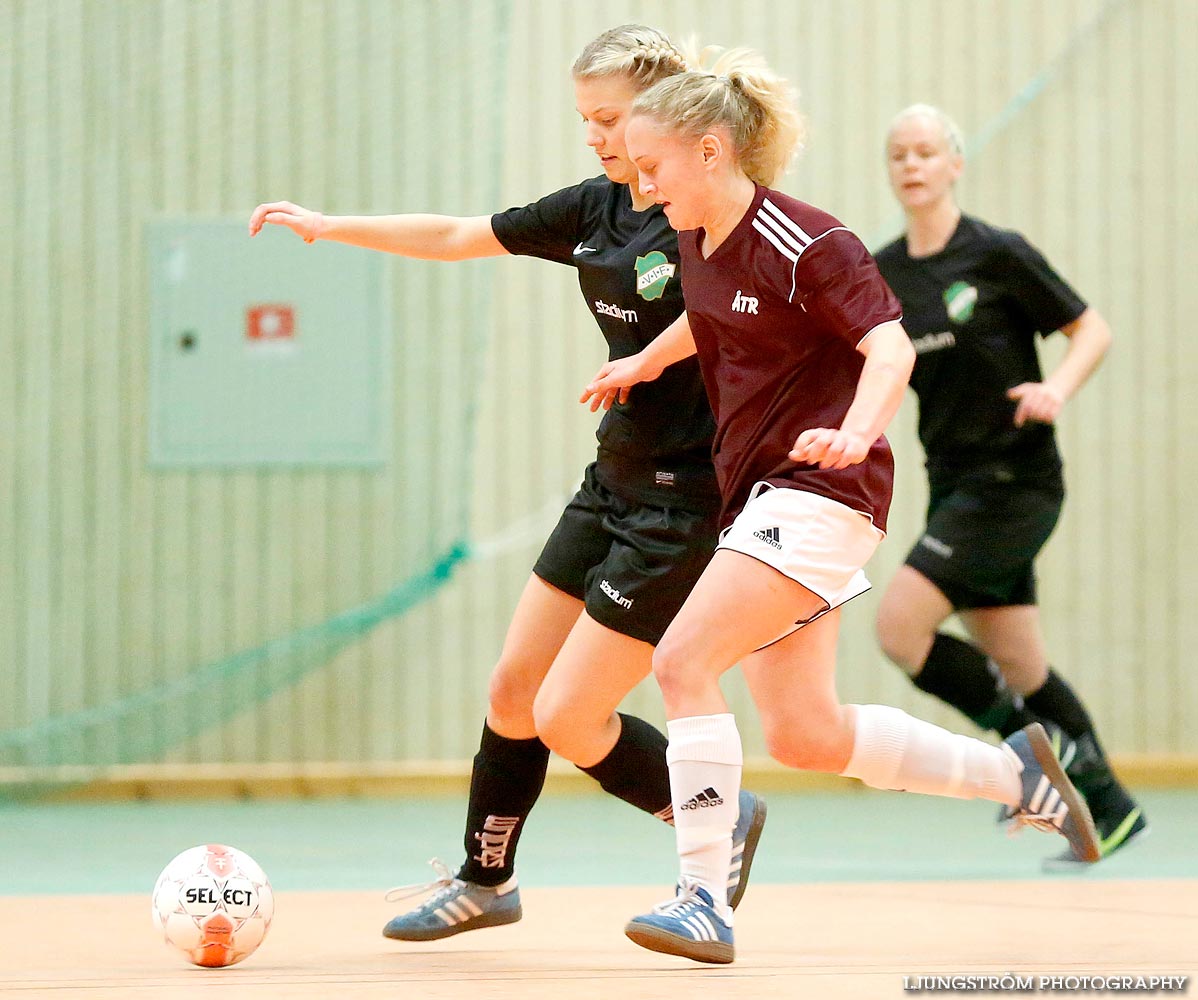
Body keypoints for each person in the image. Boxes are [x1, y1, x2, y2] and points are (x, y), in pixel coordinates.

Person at [248, 25, 767, 943]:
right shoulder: (596, 207)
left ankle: (716, 817)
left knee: (571, 716)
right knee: (512, 691)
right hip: (609, 480)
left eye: (611, 119)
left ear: (660, 111)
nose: (600, 138)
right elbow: (457, 234)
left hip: (685, 499)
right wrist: (333, 227)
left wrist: (646, 360)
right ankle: (486, 882)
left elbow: (722, 307)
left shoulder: (709, 210)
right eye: (586, 122)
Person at [581, 49, 1100, 966]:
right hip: (765, 501)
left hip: (823, 491)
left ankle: (701, 898)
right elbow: (708, 316)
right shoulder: (699, 241)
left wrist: (857, 432)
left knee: (683, 661)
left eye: (652, 167)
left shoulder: (809, 241)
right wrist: (642, 362)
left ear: (710, 151)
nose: (644, 188)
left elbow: (890, 350)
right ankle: (1017, 774)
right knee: (807, 734)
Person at [872, 104, 1146, 869]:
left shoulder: (998, 254)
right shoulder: (885, 271)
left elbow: (1091, 329)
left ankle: (1027, 768)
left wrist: (1055, 387)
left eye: (927, 151)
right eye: (899, 154)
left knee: (900, 628)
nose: (913, 164)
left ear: (954, 163)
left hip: (1014, 483)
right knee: (1022, 666)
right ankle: (1114, 811)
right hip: (950, 481)